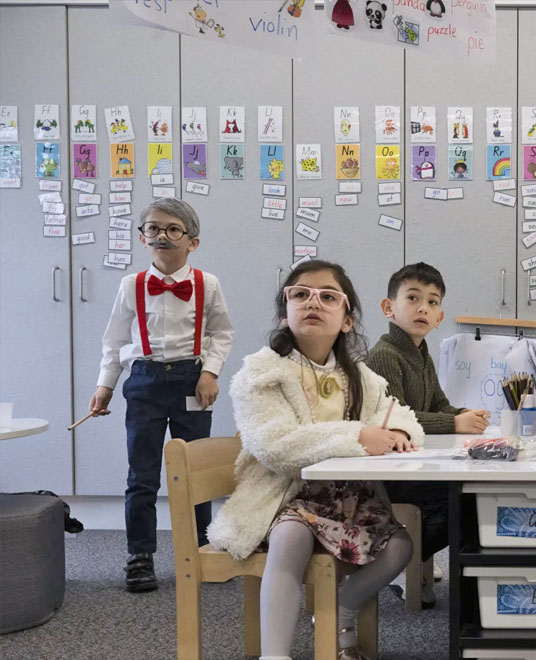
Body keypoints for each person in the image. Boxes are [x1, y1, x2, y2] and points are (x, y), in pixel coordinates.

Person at [206, 260, 424, 660]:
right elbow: (277, 446)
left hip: (348, 499)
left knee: (399, 547)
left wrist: (399, 434)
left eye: (328, 296)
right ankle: (275, 654)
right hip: (285, 494)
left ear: (347, 320)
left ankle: (344, 609)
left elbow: (401, 415)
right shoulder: (261, 372)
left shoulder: (357, 375)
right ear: (283, 313)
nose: (313, 302)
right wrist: (358, 435)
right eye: (300, 294)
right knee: (291, 538)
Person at [89, 198, 233, 592]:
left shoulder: (208, 284)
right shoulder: (131, 285)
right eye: (153, 229)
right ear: (142, 237)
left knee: (197, 472)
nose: (162, 236)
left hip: (192, 381)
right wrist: (106, 385)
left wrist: (210, 372)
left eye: (173, 229)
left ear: (193, 242)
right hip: (145, 383)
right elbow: (114, 339)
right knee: (142, 475)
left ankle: (204, 549)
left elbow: (222, 333)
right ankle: (140, 556)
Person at [364, 262, 490, 607]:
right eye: (413, 298)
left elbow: (438, 404)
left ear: (439, 316)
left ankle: (413, 559)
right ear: (389, 307)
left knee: (470, 494)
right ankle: (401, 563)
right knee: (462, 500)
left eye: (433, 302)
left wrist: (463, 414)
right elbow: (399, 418)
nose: (424, 308)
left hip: (413, 463)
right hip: (388, 473)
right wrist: (454, 424)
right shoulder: (385, 355)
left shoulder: (421, 353)